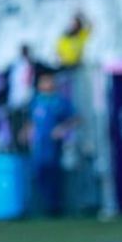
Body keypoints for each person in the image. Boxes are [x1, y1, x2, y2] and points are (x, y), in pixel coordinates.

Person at [25, 73, 78, 217]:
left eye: (48, 82)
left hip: (53, 145)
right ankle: (43, 206)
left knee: (53, 175)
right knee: (40, 174)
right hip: (39, 145)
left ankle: (55, 207)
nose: (46, 85)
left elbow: (75, 119)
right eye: (43, 82)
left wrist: (62, 129)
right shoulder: (36, 102)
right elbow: (31, 121)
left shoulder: (59, 102)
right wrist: (27, 132)